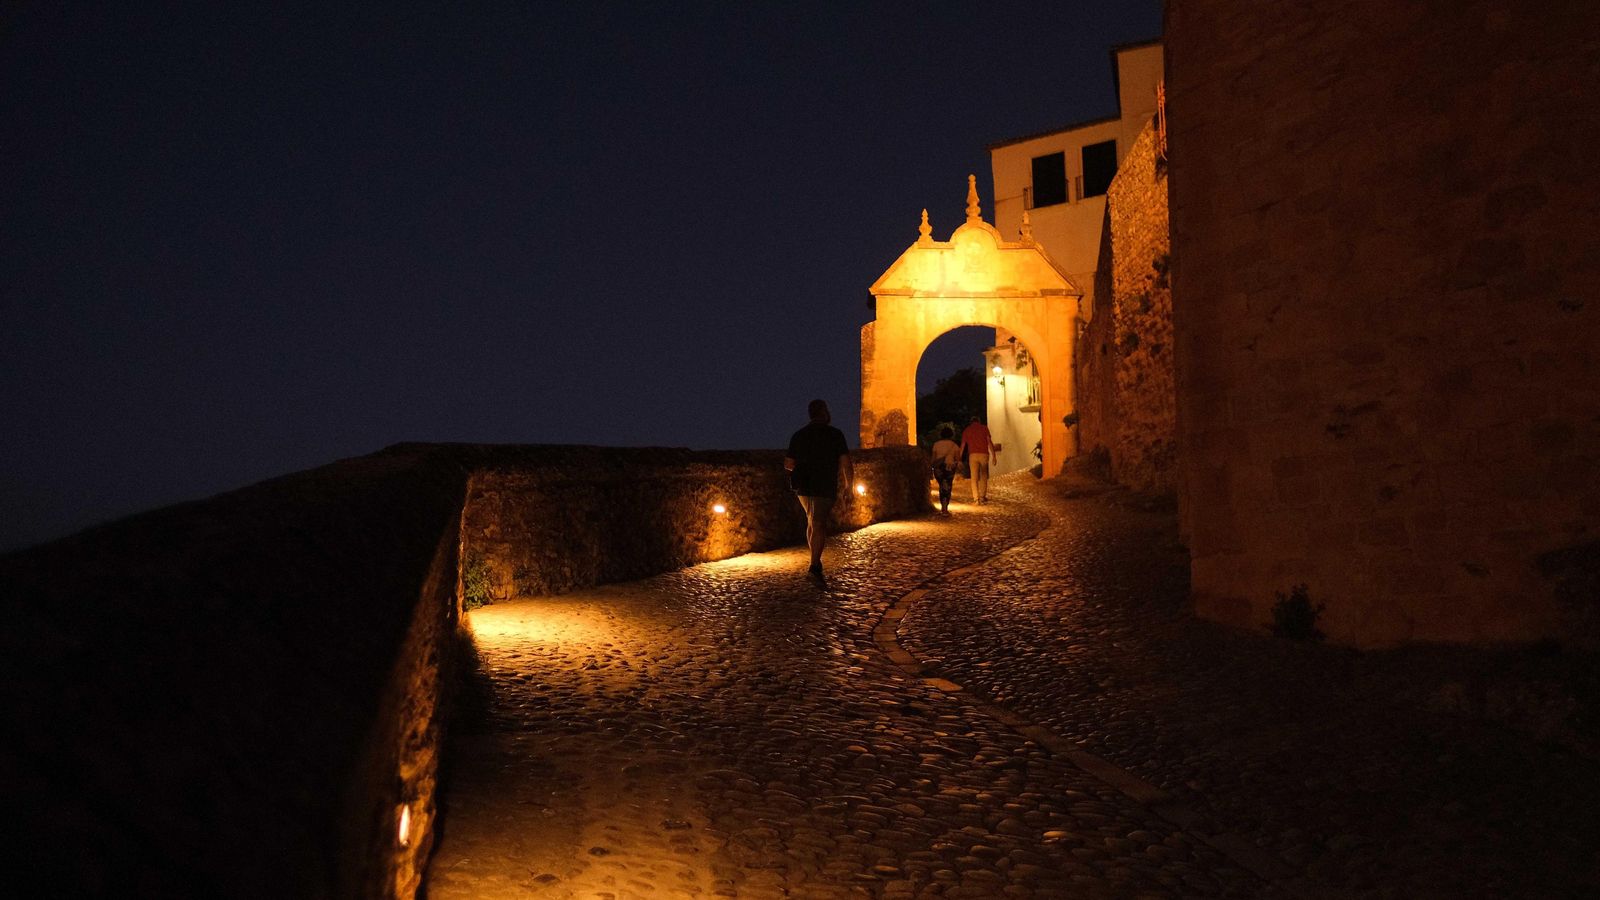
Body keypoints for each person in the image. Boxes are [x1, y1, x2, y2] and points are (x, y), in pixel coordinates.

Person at [784, 398, 854, 579]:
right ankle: (814, 565)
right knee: (818, 522)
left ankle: (815, 560)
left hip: (804, 485)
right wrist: (849, 486)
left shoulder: (798, 435)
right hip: (825, 482)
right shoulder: (835, 435)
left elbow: (789, 464)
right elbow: (846, 463)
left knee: (811, 520)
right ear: (824, 412)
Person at [959, 415, 1000, 503]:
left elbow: (963, 445)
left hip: (972, 455)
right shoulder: (984, 428)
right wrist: (994, 456)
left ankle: (976, 498)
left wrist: (959, 458)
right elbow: (989, 442)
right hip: (984, 454)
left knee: (974, 477)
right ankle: (982, 496)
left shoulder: (967, 430)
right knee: (984, 476)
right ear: (979, 421)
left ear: (971, 422)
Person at [929, 425, 960, 514]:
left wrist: (931, 467)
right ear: (951, 435)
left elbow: (933, 458)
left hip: (939, 468)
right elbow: (958, 459)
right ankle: (945, 506)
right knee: (947, 486)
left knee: (942, 486)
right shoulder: (954, 445)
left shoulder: (936, 444)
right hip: (949, 467)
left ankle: (943, 505)